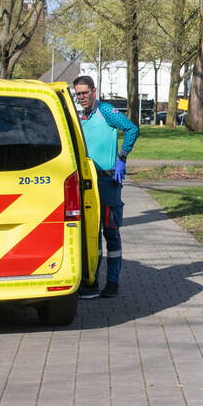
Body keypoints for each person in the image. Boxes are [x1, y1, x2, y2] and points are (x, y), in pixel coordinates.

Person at [73, 75, 139, 299]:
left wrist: (122, 157)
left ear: (94, 91)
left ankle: (112, 283)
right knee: (90, 234)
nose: (81, 97)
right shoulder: (78, 115)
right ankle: (90, 283)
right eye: (78, 94)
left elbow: (131, 129)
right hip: (85, 183)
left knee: (111, 232)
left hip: (107, 181)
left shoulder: (107, 111)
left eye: (84, 93)